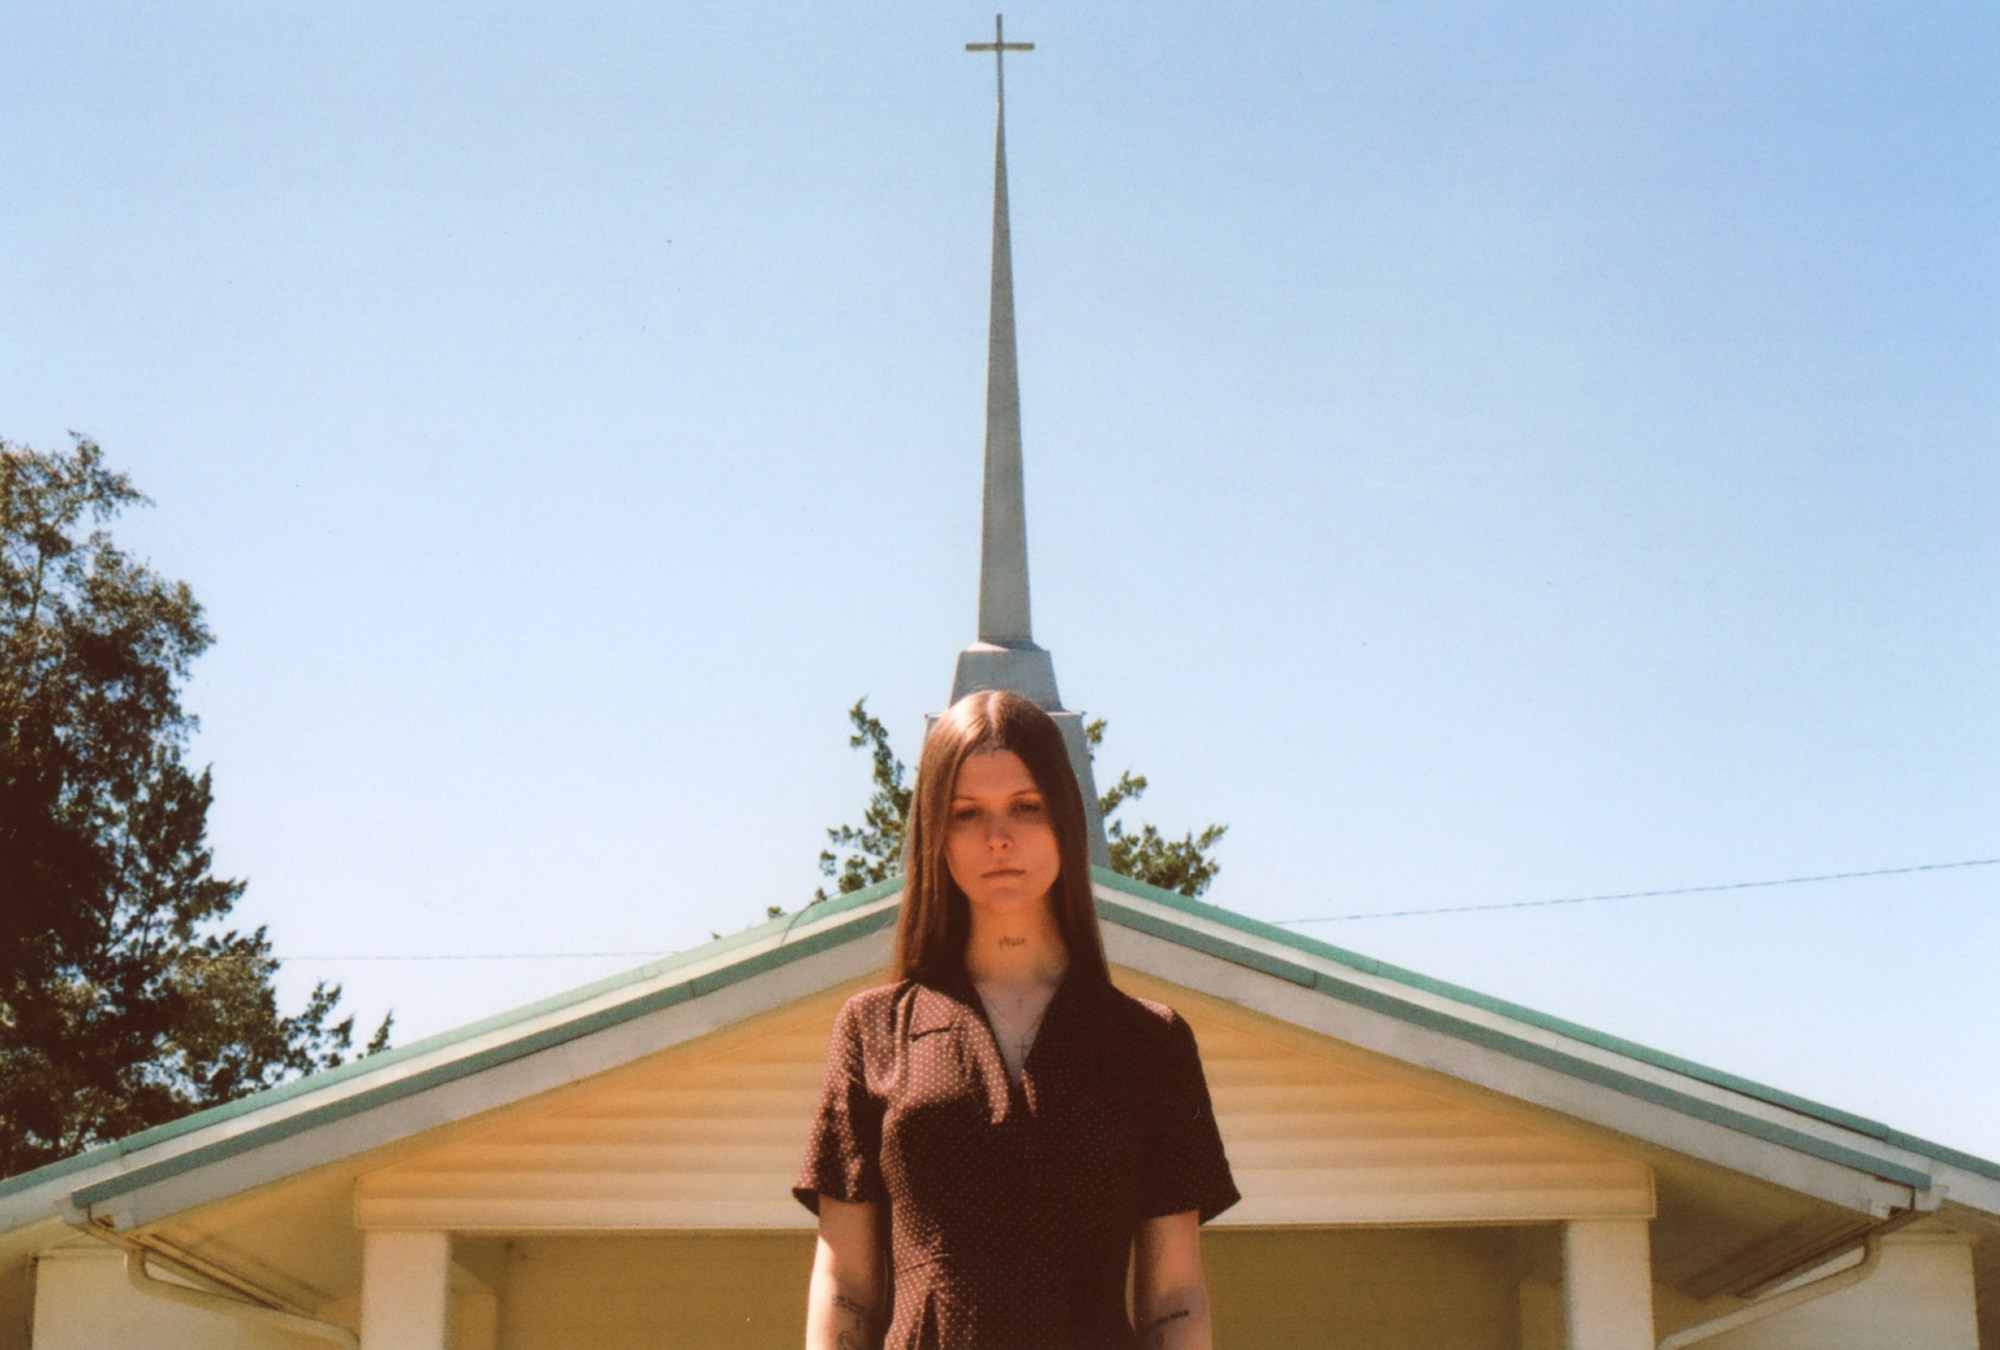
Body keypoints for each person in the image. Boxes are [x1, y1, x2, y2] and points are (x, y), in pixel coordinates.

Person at [794, 690, 1238, 1349]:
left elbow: (1173, 1301)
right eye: (966, 813)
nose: (998, 837)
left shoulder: (1149, 1044)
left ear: (1065, 818)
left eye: (1025, 808)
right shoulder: (873, 1032)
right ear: (935, 838)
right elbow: (846, 1290)